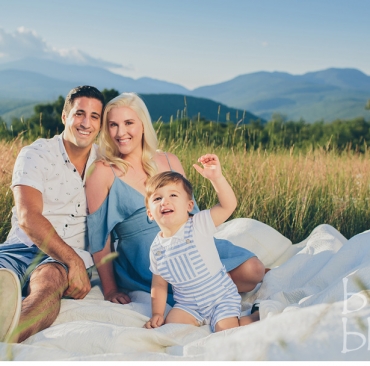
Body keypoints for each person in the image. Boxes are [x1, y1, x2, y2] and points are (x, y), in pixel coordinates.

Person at [86, 92, 265, 308]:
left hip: (189, 243)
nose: (120, 132)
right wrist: (110, 289)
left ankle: (214, 285)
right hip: (147, 258)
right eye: (113, 125)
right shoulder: (103, 171)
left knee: (254, 269)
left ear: (143, 125)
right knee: (204, 282)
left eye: (128, 123)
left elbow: (192, 215)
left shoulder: (169, 161)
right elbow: (99, 237)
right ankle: (211, 289)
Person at [0, 85, 104, 343]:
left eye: (94, 117)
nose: (86, 123)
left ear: (101, 124)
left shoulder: (105, 163)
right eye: (79, 113)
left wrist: (73, 261)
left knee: (49, 285)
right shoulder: (36, 154)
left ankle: (7, 337)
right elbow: (28, 217)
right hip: (21, 246)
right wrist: (75, 261)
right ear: (64, 116)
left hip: (59, 261)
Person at [144, 158, 260, 332]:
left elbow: (228, 205)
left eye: (173, 195)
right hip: (188, 305)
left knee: (226, 331)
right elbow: (159, 284)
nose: (164, 202)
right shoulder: (156, 248)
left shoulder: (198, 224)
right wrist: (157, 313)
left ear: (189, 205)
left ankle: (255, 315)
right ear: (150, 214)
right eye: (157, 198)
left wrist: (216, 178)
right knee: (171, 327)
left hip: (221, 298)